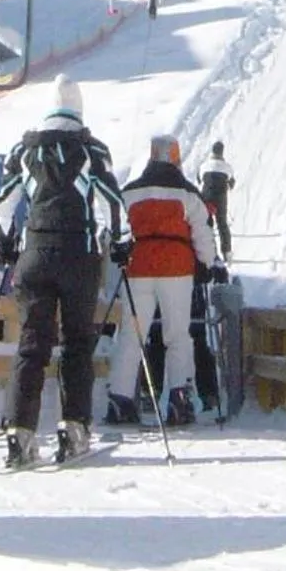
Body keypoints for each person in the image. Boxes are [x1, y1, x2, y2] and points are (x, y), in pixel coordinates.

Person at [0, 77, 127, 468]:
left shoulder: (24, 150)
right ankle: (74, 427)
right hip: (78, 254)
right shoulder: (90, 149)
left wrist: (6, 242)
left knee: (32, 343)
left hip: (33, 254)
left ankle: (20, 433)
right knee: (78, 342)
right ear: (78, 110)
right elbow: (112, 202)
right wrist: (121, 241)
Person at [106, 135, 220, 428]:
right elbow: (203, 232)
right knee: (177, 336)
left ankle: (120, 401)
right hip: (177, 269)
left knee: (132, 337)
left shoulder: (130, 192)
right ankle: (178, 399)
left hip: (138, 267)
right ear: (177, 158)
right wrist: (207, 263)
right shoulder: (187, 193)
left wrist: (113, 272)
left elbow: (113, 229)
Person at [199, 140, 235, 257]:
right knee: (222, 224)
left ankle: (207, 251)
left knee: (207, 224)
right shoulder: (227, 167)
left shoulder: (204, 165)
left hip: (206, 196)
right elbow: (232, 183)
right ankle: (226, 252)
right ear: (222, 152)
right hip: (220, 197)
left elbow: (199, 178)